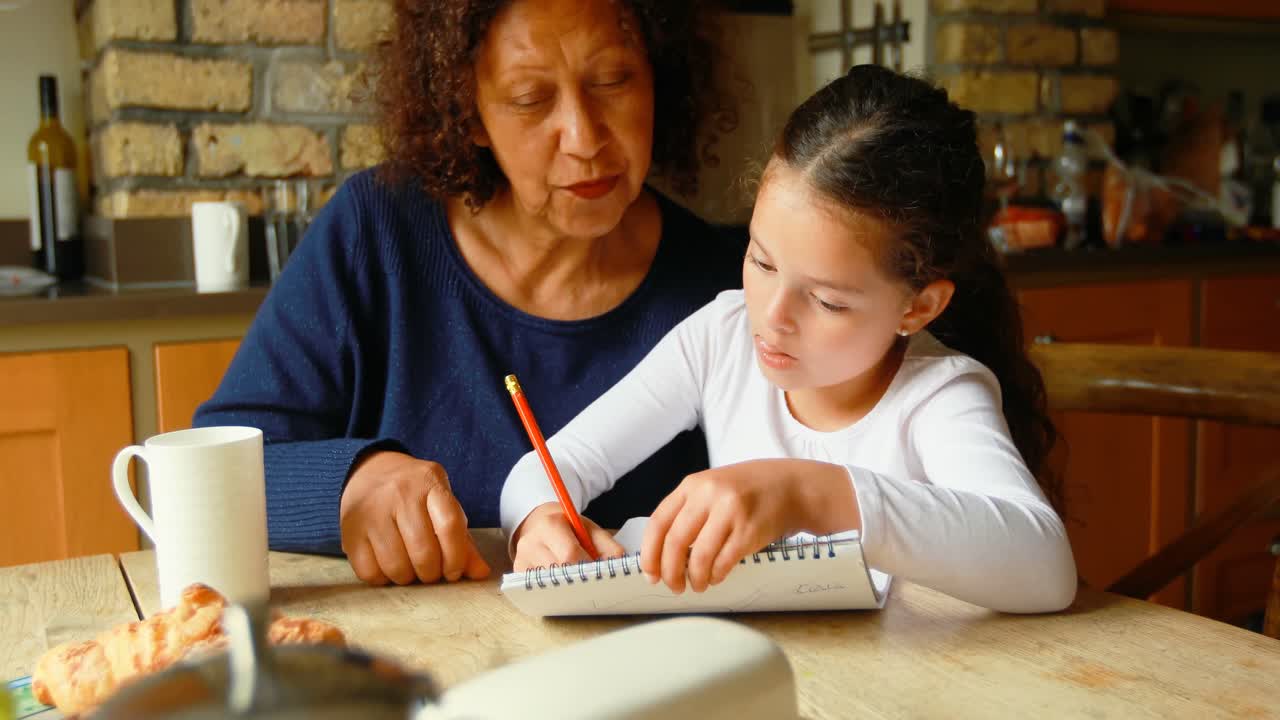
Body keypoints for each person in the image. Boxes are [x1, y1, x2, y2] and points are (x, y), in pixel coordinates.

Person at [194, 0, 744, 587]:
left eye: (612, 81)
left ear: (658, 75)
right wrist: (349, 484)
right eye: (530, 99)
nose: (584, 139)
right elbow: (207, 473)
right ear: (469, 111)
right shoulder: (376, 233)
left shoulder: (732, 284)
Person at [501, 65, 1078, 613]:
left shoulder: (937, 396)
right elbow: (547, 467)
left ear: (918, 306)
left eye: (827, 301)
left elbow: (1044, 566)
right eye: (761, 261)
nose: (772, 317)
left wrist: (807, 494)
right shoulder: (721, 338)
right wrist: (541, 520)